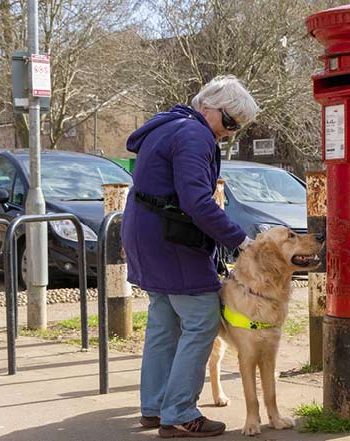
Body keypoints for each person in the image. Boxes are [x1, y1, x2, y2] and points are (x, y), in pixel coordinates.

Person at [121, 75, 260, 438]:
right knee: (201, 319)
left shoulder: (167, 126)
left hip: (144, 232)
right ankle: (181, 411)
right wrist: (241, 240)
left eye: (237, 127)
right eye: (229, 122)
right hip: (172, 240)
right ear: (207, 107)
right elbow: (197, 201)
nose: (229, 133)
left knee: (163, 322)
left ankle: (154, 407)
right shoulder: (194, 135)